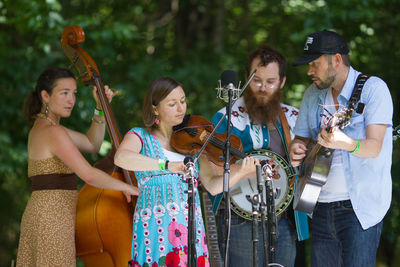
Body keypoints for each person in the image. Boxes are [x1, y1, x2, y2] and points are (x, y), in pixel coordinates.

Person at [114, 77, 258, 267]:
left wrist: (242, 171)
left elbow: (213, 186)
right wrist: (165, 165)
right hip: (154, 229)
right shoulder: (140, 136)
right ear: (155, 109)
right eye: (172, 104)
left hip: (190, 229)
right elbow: (121, 158)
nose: (181, 108)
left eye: (183, 101)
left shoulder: (194, 145)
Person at [17, 67, 139, 266]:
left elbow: (93, 144)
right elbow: (89, 174)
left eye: (73, 94)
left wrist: (100, 108)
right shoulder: (52, 132)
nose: (71, 100)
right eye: (64, 93)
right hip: (51, 220)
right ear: (45, 96)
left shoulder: (47, 128)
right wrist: (128, 187)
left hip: (47, 217)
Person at [289, 29, 393, 266]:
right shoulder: (312, 94)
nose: (309, 71)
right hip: (319, 205)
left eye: (314, 64)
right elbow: (300, 140)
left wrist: (344, 142)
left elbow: (374, 147)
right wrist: (297, 148)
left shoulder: (373, 89)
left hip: (359, 209)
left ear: (336, 59)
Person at [210, 44, 309, 267]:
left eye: (271, 82)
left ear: (282, 82)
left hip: (284, 223)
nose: (263, 87)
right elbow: (211, 169)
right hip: (238, 221)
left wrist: (299, 160)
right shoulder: (226, 117)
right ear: (246, 78)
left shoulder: (295, 118)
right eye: (256, 81)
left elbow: (316, 169)